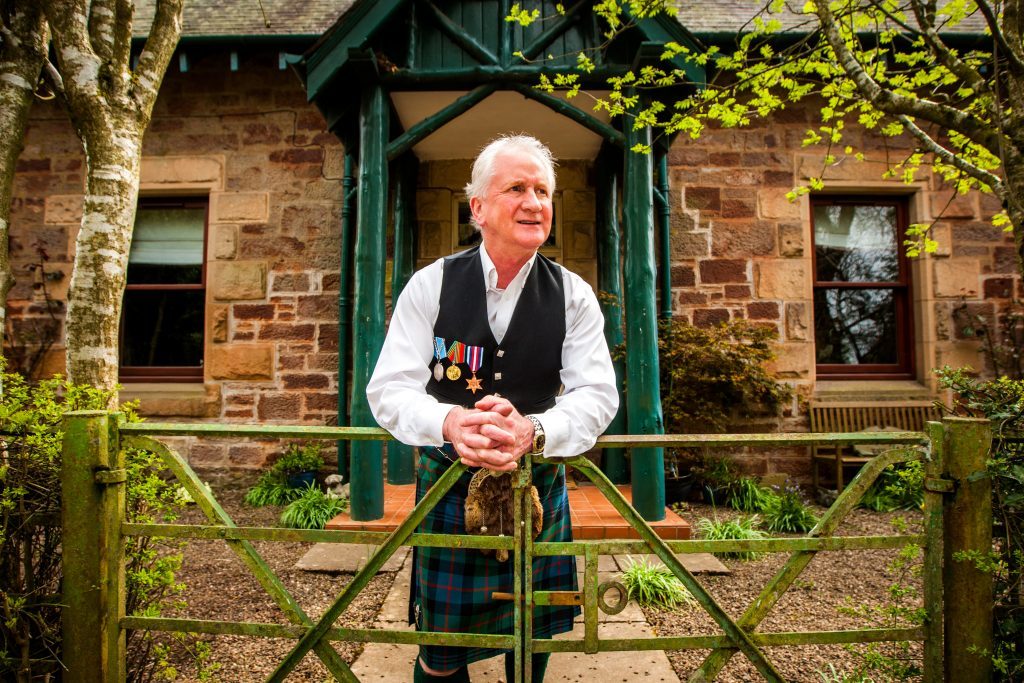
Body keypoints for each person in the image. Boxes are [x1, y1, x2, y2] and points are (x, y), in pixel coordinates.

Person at [367, 134, 618, 682]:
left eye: (543, 191)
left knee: (532, 637)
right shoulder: (429, 285)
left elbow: (598, 395)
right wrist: (450, 422)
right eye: (517, 188)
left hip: (537, 487)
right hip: (448, 487)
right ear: (477, 207)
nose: (534, 203)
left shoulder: (574, 295)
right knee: (440, 654)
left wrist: (535, 430)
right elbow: (389, 389)